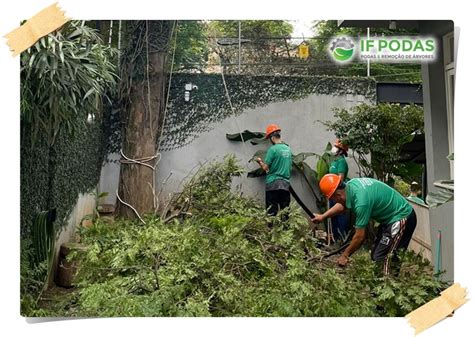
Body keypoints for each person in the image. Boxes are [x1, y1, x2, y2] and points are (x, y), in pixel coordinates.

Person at [312, 174, 417, 275]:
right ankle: (383, 286)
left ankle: (387, 290)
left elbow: (360, 237)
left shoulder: (361, 202)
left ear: (338, 195)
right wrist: (323, 216)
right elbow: (342, 205)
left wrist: (345, 255)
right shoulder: (351, 186)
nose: (334, 201)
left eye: (333, 199)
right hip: (390, 219)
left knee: (383, 258)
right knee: (376, 254)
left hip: (402, 217)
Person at [256, 124, 293, 218]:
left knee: (271, 213)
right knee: (285, 212)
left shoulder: (272, 149)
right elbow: (289, 167)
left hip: (272, 184)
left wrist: (260, 162)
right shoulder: (288, 149)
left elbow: (265, 168)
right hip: (285, 185)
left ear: (272, 138)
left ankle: (272, 231)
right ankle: (286, 232)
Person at [328, 138, 350, 240]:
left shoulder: (341, 162)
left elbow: (340, 179)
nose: (334, 148)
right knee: (333, 216)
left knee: (340, 216)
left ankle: (342, 239)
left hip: (338, 192)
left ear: (341, 150)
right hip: (332, 193)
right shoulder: (334, 161)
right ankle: (336, 240)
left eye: (336, 147)